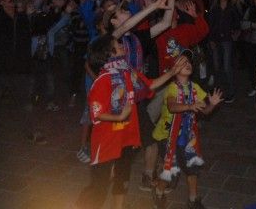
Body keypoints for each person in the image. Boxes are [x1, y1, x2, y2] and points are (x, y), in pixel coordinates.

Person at [77, 35, 186, 209]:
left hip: (126, 138)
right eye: (118, 45)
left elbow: (149, 85)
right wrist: (120, 117)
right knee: (100, 186)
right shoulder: (103, 80)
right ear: (109, 53)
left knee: (122, 177)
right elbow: (97, 113)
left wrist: (172, 73)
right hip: (106, 142)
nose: (122, 47)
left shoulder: (127, 72)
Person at [152, 49, 223, 209]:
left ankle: (193, 200)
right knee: (169, 170)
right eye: (183, 62)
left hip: (186, 136)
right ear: (174, 69)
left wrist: (212, 103)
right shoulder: (172, 88)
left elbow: (204, 111)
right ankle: (158, 190)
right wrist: (190, 105)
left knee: (192, 168)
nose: (188, 64)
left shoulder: (195, 87)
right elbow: (172, 106)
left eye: (189, 62)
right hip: (167, 137)